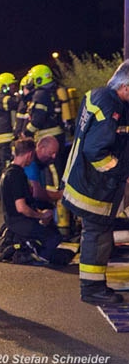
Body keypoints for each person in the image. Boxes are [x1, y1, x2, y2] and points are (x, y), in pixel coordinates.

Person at [62, 61, 129, 305]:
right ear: (126, 86)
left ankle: (94, 286)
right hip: (95, 187)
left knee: (97, 234)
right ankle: (92, 289)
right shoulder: (112, 105)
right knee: (97, 236)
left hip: (86, 182)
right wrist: (121, 172)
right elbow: (96, 151)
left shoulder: (100, 96)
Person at [0, 138, 75, 265]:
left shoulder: (7, 172)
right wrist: (41, 215)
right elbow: (21, 207)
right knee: (54, 239)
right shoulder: (17, 175)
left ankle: (26, 247)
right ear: (29, 154)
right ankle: (31, 253)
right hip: (20, 222)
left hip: (13, 222)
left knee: (52, 237)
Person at [23, 64, 66, 166]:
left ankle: (56, 183)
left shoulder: (40, 94)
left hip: (48, 138)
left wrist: (27, 132)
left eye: (33, 79)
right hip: (59, 135)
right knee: (59, 167)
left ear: (39, 80)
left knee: (52, 170)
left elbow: (38, 118)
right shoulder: (54, 91)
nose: (31, 82)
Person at [0, 72, 19, 200]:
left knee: (1, 163)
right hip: (5, 137)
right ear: (4, 86)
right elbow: (14, 103)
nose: (14, 88)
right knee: (6, 164)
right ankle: (5, 192)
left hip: (7, 137)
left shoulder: (2, 96)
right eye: (12, 85)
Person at [13, 75, 33, 140]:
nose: (26, 90)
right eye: (25, 88)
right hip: (26, 137)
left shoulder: (33, 101)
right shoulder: (23, 102)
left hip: (30, 136)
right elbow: (19, 122)